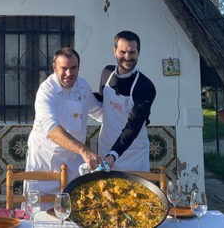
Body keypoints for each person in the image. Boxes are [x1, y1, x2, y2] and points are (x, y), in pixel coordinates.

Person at [25, 47, 103, 195]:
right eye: (64, 68)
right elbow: (52, 130)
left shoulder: (83, 86)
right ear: (54, 67)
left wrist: (125, 117)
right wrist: (84, 150)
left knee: (74, 208)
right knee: (41, 212)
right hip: (46, 163)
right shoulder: (46, 91)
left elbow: (98, 111)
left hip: (74, 163)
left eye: (73, 68)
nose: (69, 73)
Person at [96, 30, 156, 172]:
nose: (127, 57)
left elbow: (133, 127)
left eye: (132, 52)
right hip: (106, 148)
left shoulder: (145, 86)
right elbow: (101, 103)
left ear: (138, 53)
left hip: (133, 154)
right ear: (115, 51)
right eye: (123, 52)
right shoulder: (106, 73)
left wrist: (114, 154)